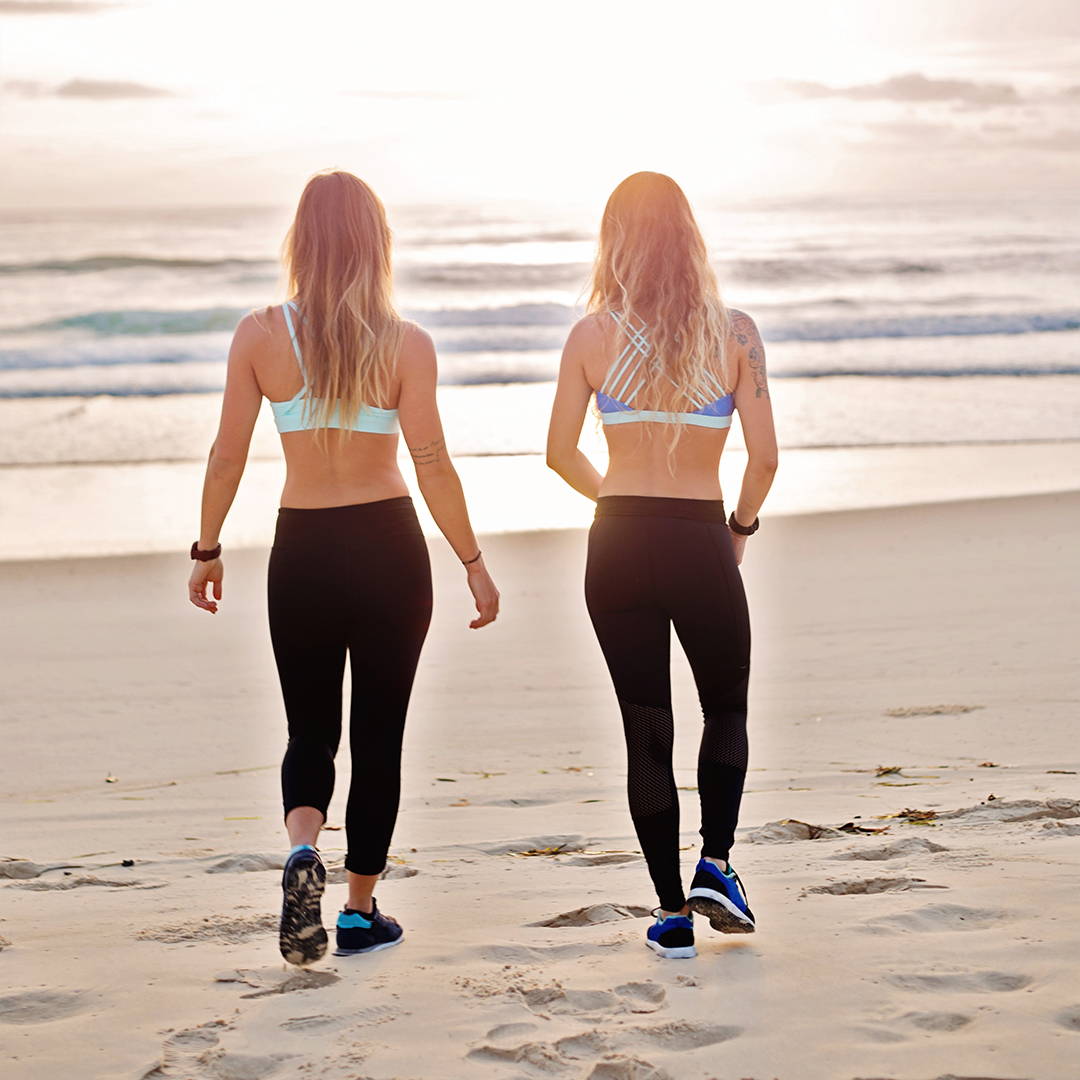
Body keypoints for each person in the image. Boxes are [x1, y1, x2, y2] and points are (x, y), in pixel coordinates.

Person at [187, 170, 499, 966]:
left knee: (310, 729)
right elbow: (431, 462)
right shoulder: (406, 343)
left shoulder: (259, 335)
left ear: (301, 240)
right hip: (390, 549)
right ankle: (358, 910)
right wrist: (472, 560)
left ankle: (302, 848)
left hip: (304, 551)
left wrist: (207, 547)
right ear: (377, 242)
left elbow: (228, 454)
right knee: (380, 736)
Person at [546, 172, 777, 959]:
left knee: (647, 730)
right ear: (689, 235)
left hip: (615, 543)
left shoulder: (590, 336)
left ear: (615, 240)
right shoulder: (735, 332)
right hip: (698, 538)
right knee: (726, 709)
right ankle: (716, 861)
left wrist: (619, 498)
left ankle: (671, 915)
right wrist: (737, 529)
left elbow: (557, 455)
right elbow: (765, 460)